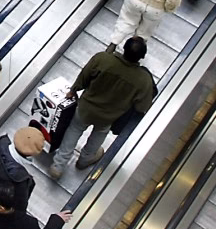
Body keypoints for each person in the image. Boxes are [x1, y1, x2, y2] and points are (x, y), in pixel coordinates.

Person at [49, 38, 156, 174]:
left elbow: (84, 76)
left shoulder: (103, 59)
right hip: (108, 117)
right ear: (142, 57)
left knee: (74, 131)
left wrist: (73, 90)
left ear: (124, 48)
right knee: (98, 135)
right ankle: (85, 159)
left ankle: (58, 165)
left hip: (85, 109)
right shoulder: (144, 80)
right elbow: (142, 107)